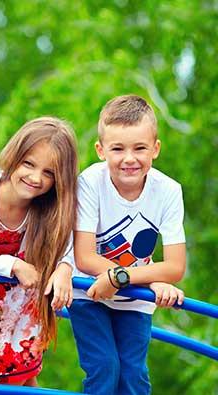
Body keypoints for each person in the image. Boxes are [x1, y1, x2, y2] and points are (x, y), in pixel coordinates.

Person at [69, 94, 186, 395]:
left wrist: (133, 281)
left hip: (135, 298)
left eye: (140, 148)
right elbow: (84, 256)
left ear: (156, 149)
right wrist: (137, 278)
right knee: (105, 368)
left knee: (134, 376)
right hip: (89, 292)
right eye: (118, 149)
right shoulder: (90, 182)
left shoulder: (168, 191)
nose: (129, 158)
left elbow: (175, 266)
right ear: (100, 150)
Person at [0, 117, 78, 386]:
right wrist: (12, 265)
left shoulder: (52, 208)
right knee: (1, 383)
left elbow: (69, 247)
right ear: (15, 155)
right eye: (29, 164)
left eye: (49, 173)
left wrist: (65, 268)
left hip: (25, 301)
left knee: (23, 379)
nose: (35, 178)